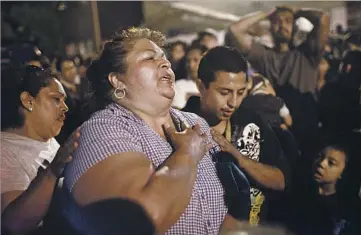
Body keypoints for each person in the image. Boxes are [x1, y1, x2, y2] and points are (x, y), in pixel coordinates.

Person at [61, 27, 250, 235]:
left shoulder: (195, 123)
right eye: (150, 58)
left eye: (164, 57)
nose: (166, 63)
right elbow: (140, 220)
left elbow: (231, 203)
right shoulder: (102, 130)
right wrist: (187, 154)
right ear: (117, 80)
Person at [183, 46, 290, 226]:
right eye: (224, 93)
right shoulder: (180, 125)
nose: (233, 102)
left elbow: (281, 181)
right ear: (201, 86)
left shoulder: (252, 122)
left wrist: (240, 159)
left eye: (240, 93)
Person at [226, 6, 330, 158]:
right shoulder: (264, 55)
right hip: (273, 132)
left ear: (295, 26)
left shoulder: (308, 54)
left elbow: (323, 18)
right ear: (270, 26)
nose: (282, 25)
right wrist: (266, 13)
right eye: (277, 21)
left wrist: (297, 11)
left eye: (287, 21)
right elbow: (235, 29)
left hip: (306, 132)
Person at [1, 65, 79, 234]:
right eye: (56, 99)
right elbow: (14, 225)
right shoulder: (5, 151)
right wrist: (51, 173)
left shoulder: (48, 140)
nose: (65, 107)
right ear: (28, 101)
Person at [288, 142, 361, 235]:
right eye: (319, 156)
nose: (321, 163)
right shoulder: (298, 195)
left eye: (331, 163)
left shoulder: (351, 207)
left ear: (342, 172)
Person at [172, 44, 208, 109]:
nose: (191, 65)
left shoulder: (214, 85)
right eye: (188, 61)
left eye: (196, 60)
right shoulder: (179, 85)